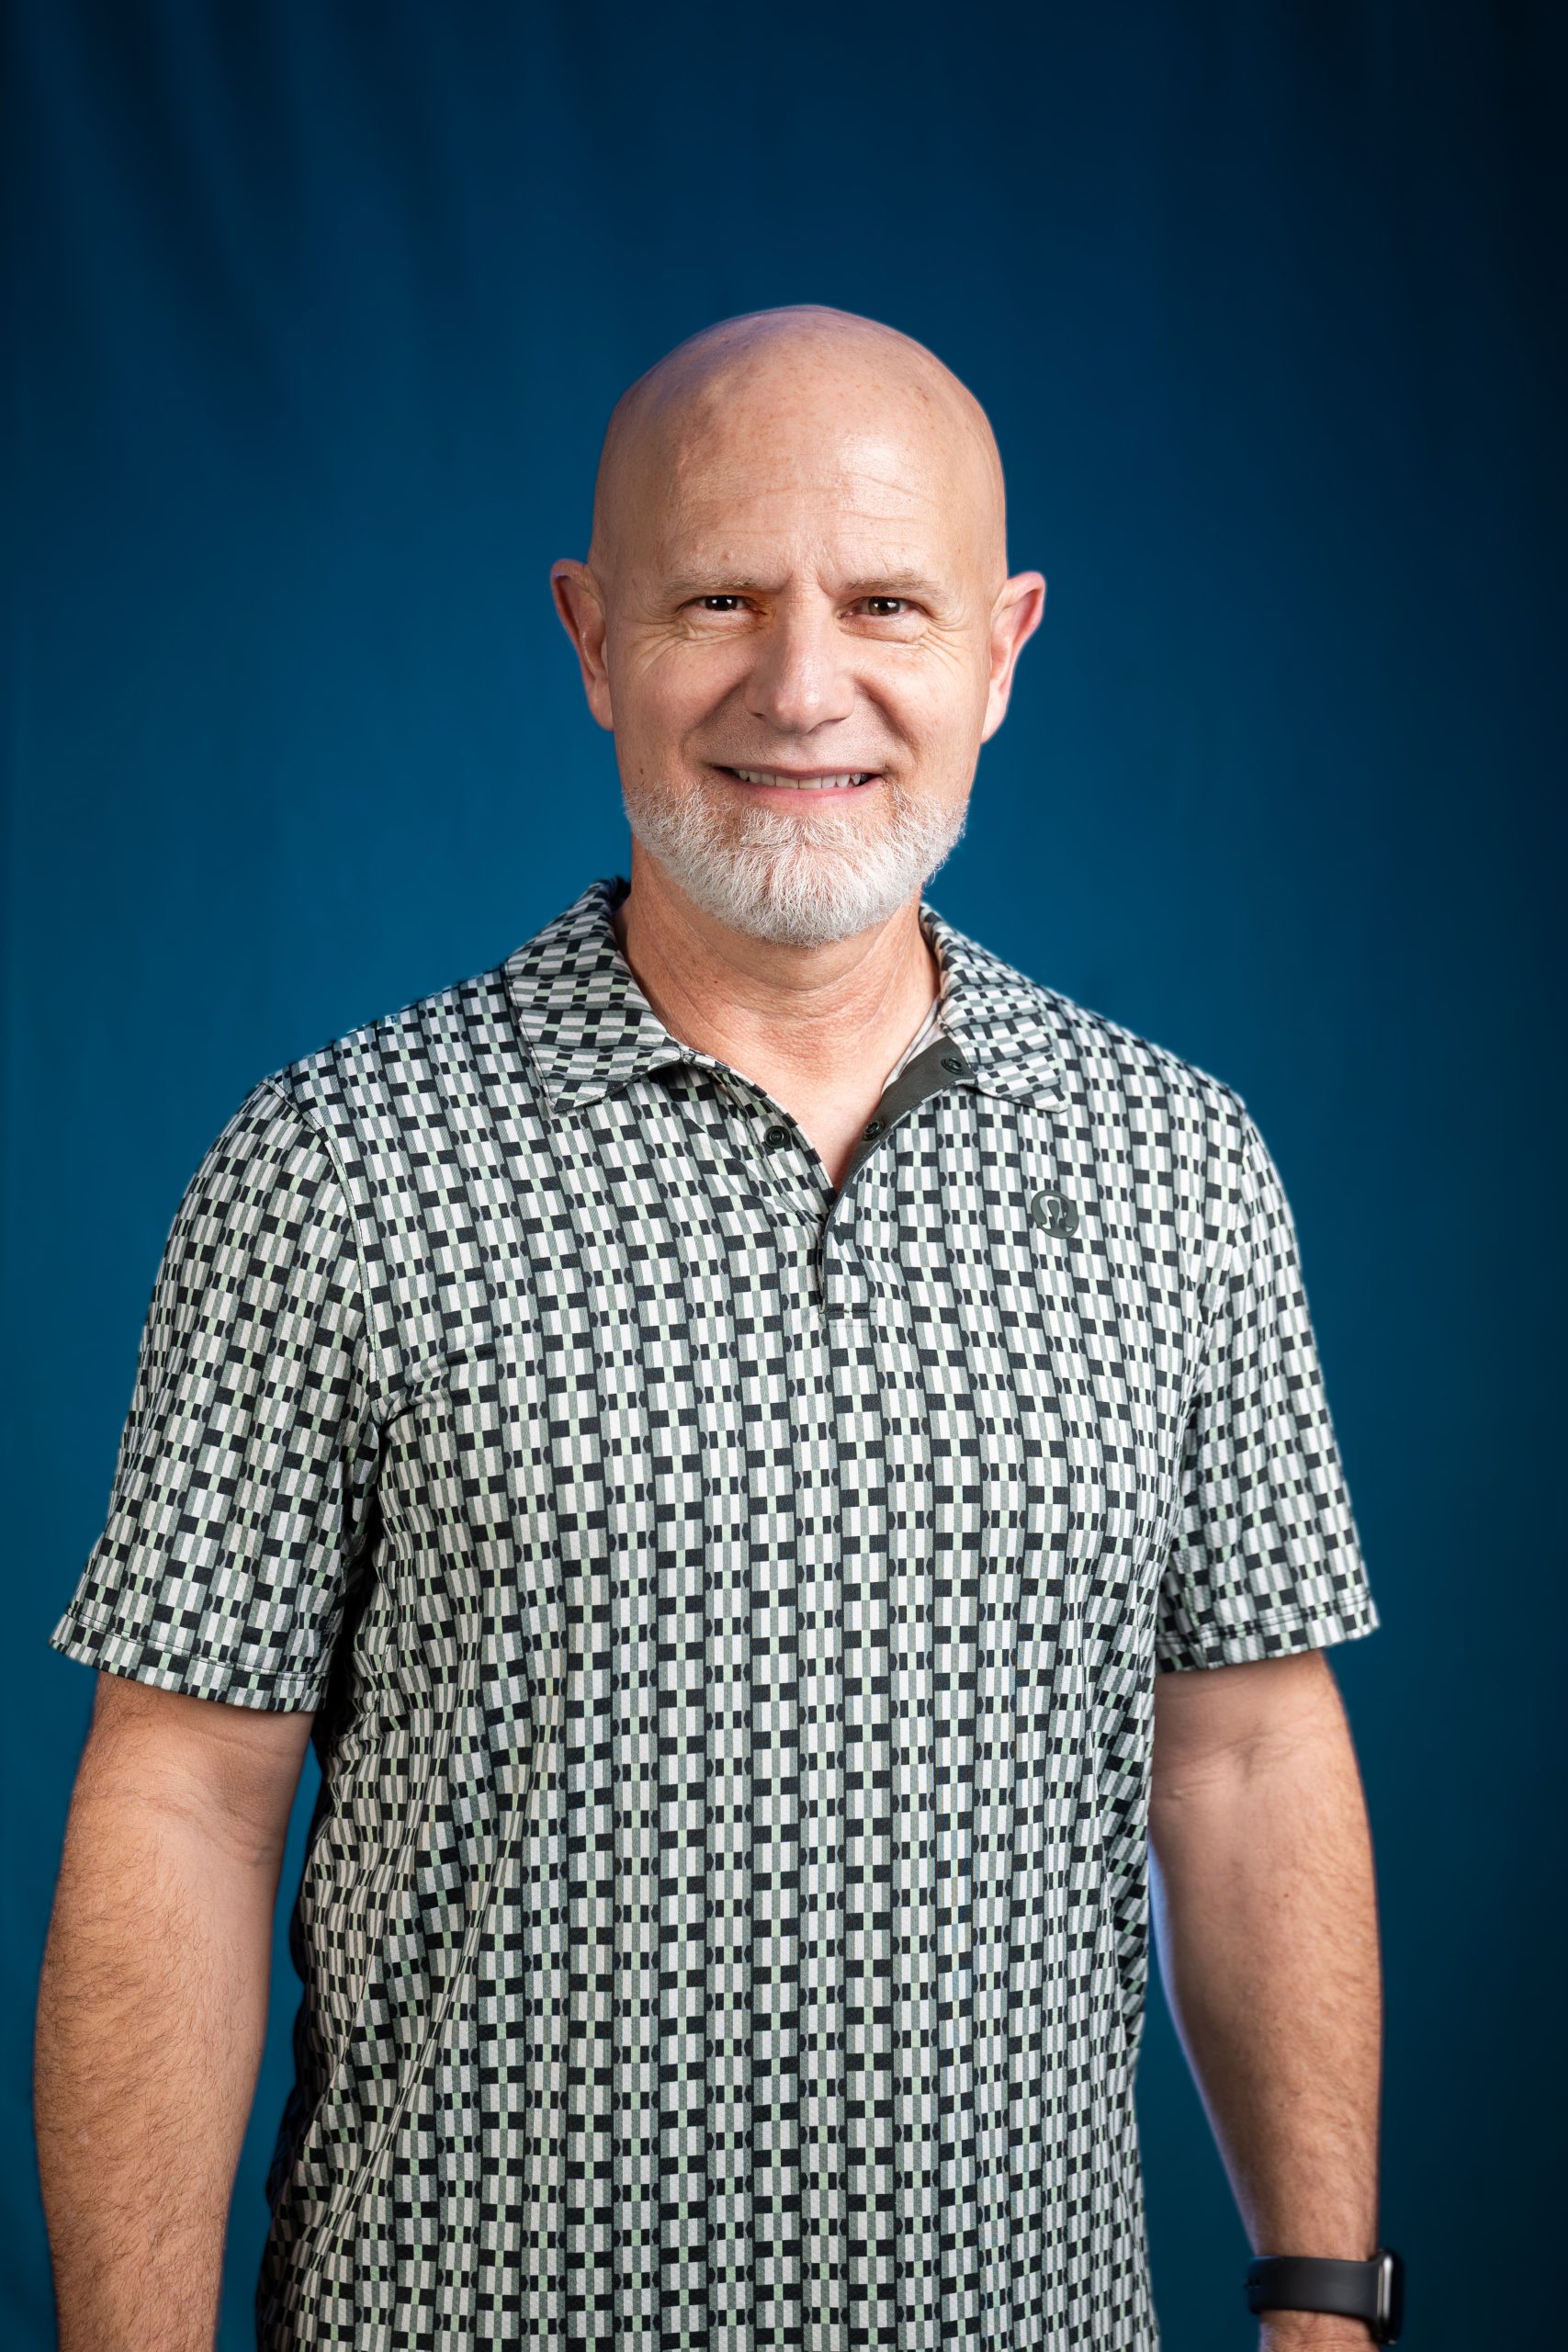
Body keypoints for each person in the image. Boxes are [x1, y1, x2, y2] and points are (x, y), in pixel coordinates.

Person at [36, 303, 1394, 2352]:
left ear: (1002, 647)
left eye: (884, 603)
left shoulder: (1175, 1168)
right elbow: (185, 1806)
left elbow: (1247, 1750)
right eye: (718, 601)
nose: (802, 685)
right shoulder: (336, 1167)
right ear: (593, 638)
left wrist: (1322, 2299)